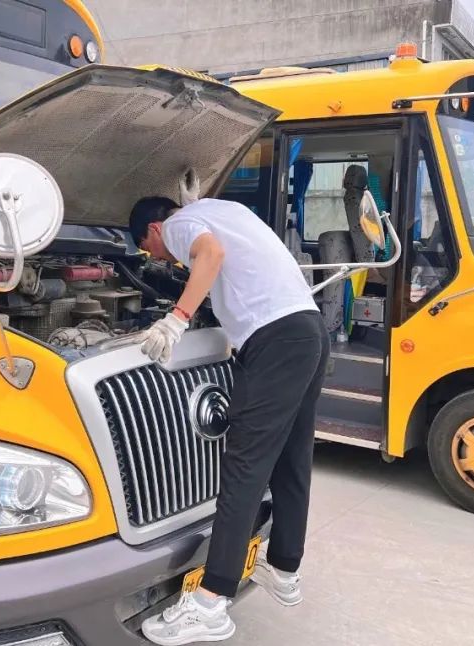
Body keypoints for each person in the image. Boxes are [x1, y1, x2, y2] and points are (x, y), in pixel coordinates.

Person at [133, 174, 330, 645]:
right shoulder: (222, 211)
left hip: (275, 341)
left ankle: (210, 601)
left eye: (150, 250)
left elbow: (211, 255)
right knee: (292, 459)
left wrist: (176, 318)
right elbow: (225, 245)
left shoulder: (179, 226)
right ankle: (283, 567)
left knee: (245, 467)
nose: (160, 260)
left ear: (154, 229)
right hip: (309, 330)